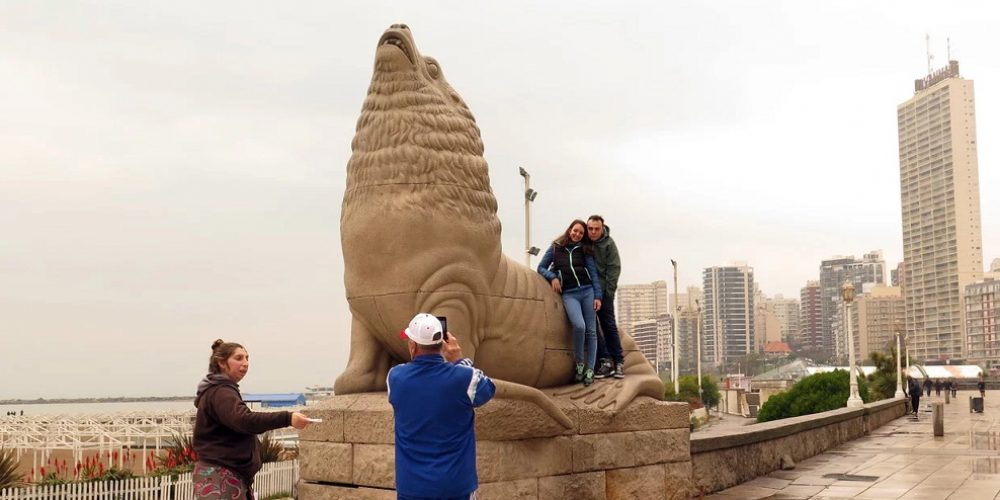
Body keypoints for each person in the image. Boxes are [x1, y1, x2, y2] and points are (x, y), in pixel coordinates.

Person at [388, 313, 496, 500]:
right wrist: (459, 360)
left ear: (413, 346)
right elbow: (488, 389)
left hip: (412, 488)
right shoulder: (464, 378)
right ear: (442, 343)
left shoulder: (396, 377)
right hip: (455, 487)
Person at [193, 339, 311, 500]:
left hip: (225, 476)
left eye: (247, 358)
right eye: (239, 358)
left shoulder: (219, 390)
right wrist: (288, 418)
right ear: (221, 362)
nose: (246, 363)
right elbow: (244, 420)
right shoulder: (221, 392)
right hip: (221, 477)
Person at [537, 219, 603, 386]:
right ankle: (579, 364)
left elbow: (593, 274)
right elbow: (541, 267)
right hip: (570, 294)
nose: (577, 234)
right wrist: (552, 278)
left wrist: (597, 296)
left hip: (587, 291)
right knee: (579, 326)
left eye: (581, 233)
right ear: (569, 230)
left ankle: (590, 370)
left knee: (591, 331)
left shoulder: (585, 250)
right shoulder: (556, 248)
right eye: (575, 231)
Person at [586, 215, 625, 380]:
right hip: (587, 293)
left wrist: (607, 294)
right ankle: (605, 360)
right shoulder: (584, 243)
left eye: (596, 229)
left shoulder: (609, 244)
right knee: (592, 326)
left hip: (605, 294)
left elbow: (614, 269)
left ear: (603, 229)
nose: (593, 232)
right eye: (590, 229)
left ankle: (619, 361)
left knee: (608, 325)